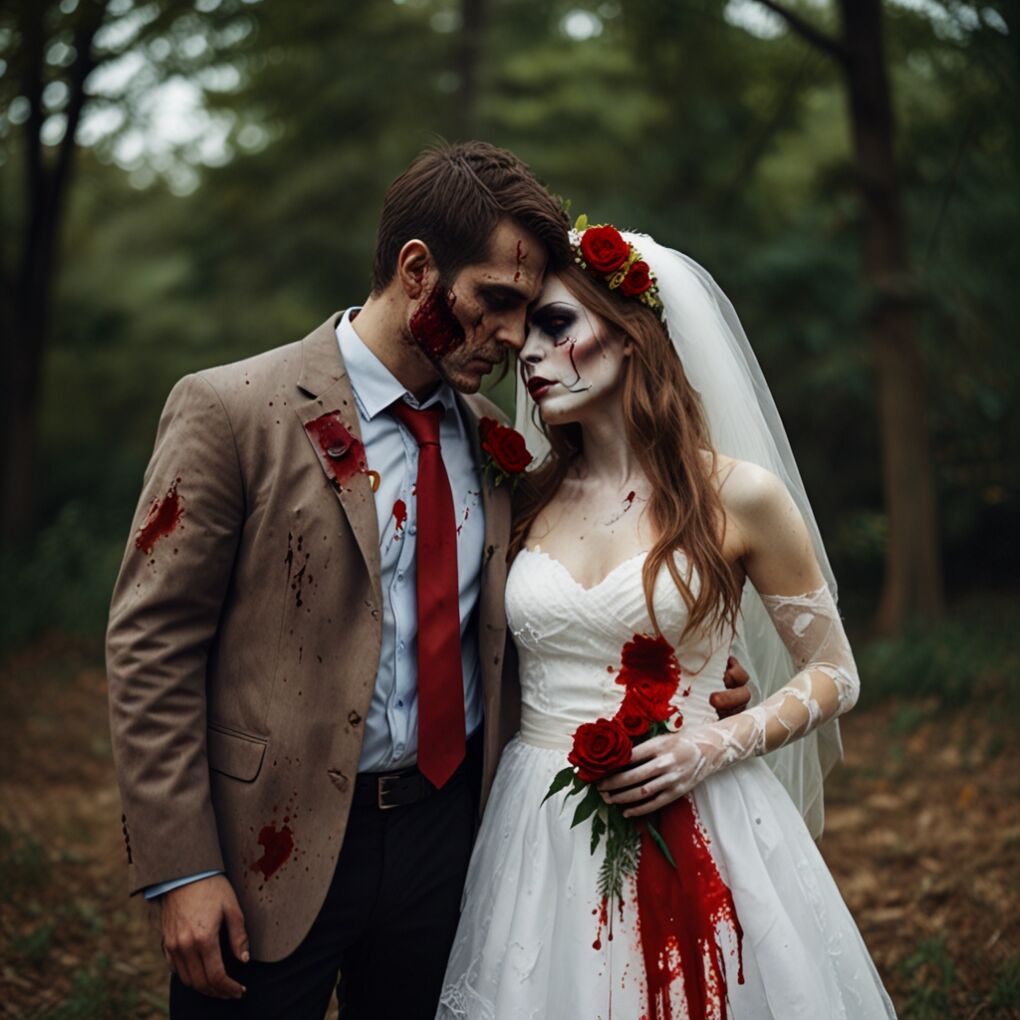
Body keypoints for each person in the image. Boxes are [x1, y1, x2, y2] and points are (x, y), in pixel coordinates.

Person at [106, 143, 754, 1019]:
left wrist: (693, 670)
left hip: (453, 844)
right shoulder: (233, 412)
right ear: (418, 270)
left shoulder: (501, 442)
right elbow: (152, 648)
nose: (518, 336)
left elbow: (557, 602)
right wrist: (183, 869)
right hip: (270, 843)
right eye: (496, 301)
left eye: (530, 313)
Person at [437, 226, 897, 1019]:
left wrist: (708, 742)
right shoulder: (523, 498)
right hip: (537, 822)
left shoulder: (738, 498)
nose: (531, 356)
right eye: (527, 338)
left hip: (705, 808)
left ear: (632, 335)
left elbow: (835, 674)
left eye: (557, 327)